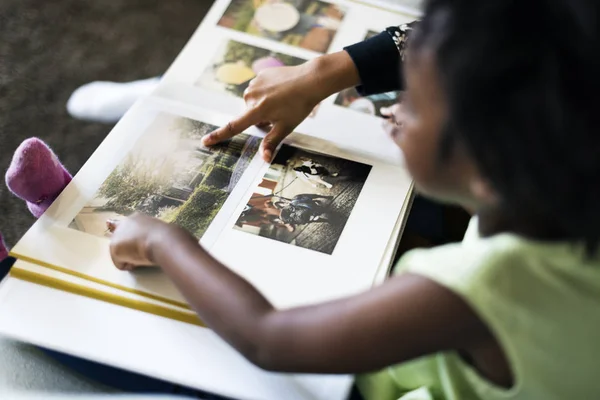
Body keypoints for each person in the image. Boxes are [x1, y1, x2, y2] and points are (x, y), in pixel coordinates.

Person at [104, 0, 600, 399]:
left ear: (491, 170)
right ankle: (169, 95)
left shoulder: (484, 287)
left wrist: (161, 241)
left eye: (417, 106)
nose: (392, 110)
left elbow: (268, 338)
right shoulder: (561, 193)